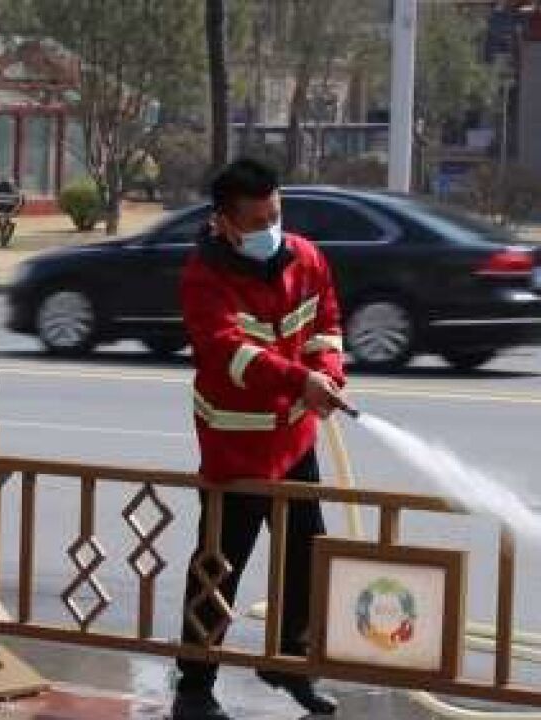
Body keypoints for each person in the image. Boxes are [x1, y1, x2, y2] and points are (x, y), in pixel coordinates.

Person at [173, 159, 348, 720]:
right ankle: (194, 687)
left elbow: (327, 323)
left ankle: (290, 662)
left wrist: (329, 372)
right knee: (219, 566)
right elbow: (231, 355)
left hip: (295, 439)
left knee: (307, 555)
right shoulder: (204, 277)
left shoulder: (305, 256)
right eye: (258, 219)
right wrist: (303, 379)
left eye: (277, 213)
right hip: (237, 448)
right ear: (225, 223)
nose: (272, 226)